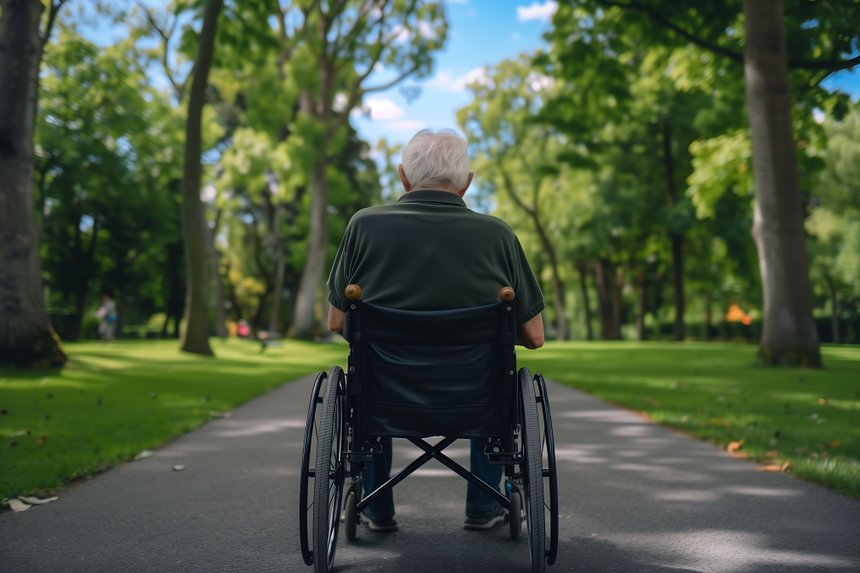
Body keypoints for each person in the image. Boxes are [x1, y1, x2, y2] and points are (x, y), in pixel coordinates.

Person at [327, 129, 545, 533]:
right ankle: (482, 507)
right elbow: (534, 336)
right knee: (498, 372)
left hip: (386, 395)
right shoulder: (498, 234)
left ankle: (376, 510)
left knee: (365, 382)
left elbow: (338, 322)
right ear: (466, 182)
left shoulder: (363, 226)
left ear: (403, 178)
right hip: (474, 396)